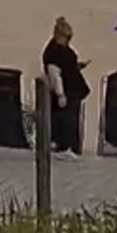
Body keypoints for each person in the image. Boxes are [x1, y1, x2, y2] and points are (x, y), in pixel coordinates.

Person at [42, 17, 90, 154]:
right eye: (67, 38)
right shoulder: (53, 52)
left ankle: (71, 147)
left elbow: (65, 67)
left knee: (72, 121)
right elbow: (54, 75)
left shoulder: (62, 50)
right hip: (66, 93)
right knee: (66, 122)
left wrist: (77, 66)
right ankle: (66, 147)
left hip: (73, 90)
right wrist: (60, 94)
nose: (68, 41)